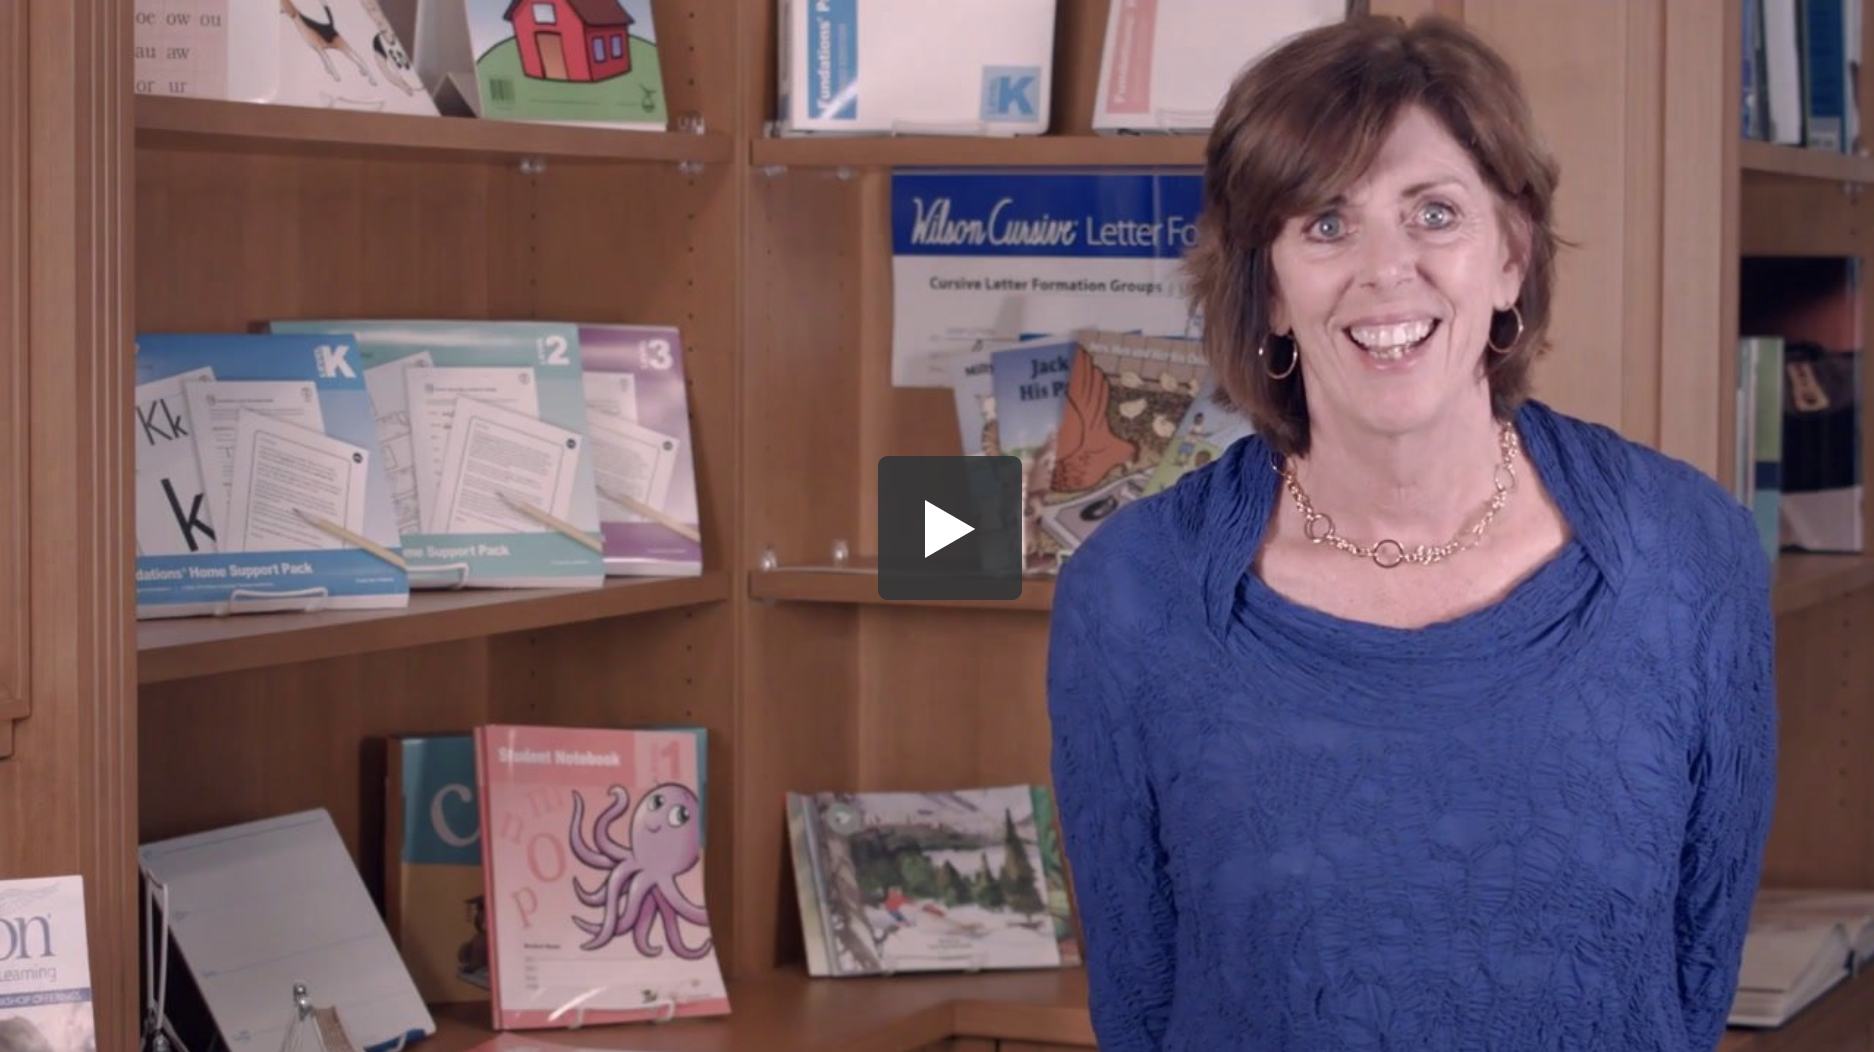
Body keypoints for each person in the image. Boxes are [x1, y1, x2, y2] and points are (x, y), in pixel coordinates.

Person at [1045, 13, 1776, 1052]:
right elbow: (1139, 1000)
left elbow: (1690, 978)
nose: (1385, 270)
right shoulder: (1132, 593)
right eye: (1325, 224)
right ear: (1269, 289)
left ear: (1510, 255)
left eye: (1432, 212)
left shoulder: (1684, 553)